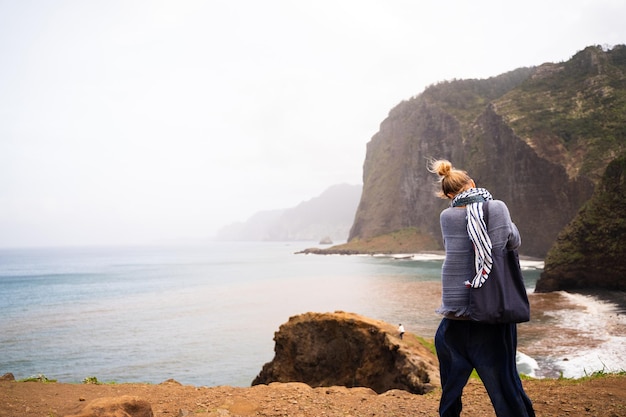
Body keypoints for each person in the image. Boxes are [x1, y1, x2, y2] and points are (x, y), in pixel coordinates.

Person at [428, 159, 535, 417]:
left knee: (451, 385)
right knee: (504, 382)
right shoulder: (496, 207)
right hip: (490, 310)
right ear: (472, 183)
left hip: (454, 313)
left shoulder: (446, 216)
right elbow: (510, 242)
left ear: (448, 195)